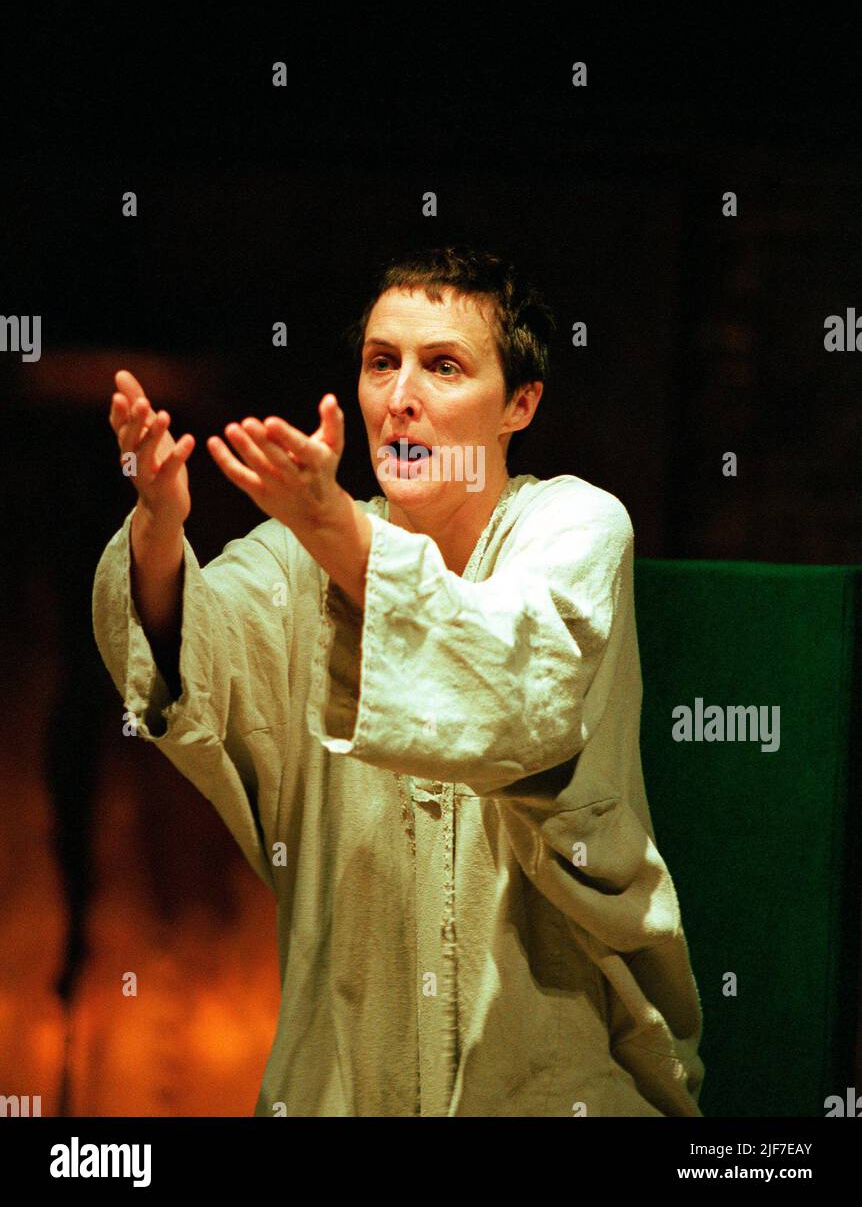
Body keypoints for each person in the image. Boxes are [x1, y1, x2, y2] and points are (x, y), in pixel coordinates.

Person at [92, 244, 705, 1117]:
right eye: (382, 364)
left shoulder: (576, 525)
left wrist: (337, 530)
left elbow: (512, 692)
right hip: (344, 1073)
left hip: (555, 1070)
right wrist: (159, 524)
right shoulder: (303, 553)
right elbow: (193, 656)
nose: (400, 397)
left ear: (519, 403)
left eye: (444, 366)